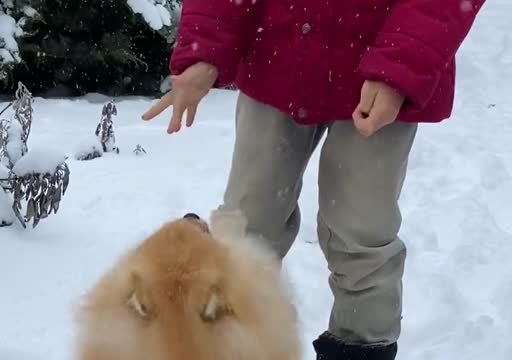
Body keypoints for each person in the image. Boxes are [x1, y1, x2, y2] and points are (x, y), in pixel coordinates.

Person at [142, 0, 485, 359]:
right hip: (279, 57)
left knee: (361, 238)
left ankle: (359, 350)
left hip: (384, 75)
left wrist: (400, 65)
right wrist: (205, 46)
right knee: (247, 225)